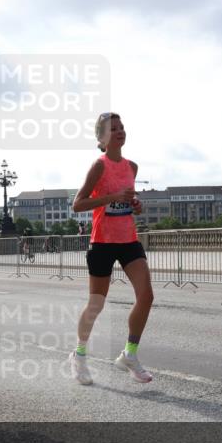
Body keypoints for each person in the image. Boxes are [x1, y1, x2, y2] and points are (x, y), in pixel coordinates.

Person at [67, 112, 154, 386]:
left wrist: (137, 205)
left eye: (122, 127)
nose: (120, 132)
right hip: (102, 242)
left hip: (128, 240)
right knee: (96, 304)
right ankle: (78, 355)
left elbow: (129, 203)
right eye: (113, 129)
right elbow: (78, 204)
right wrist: (112, 198)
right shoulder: (99, 166)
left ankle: (130, 354)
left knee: (147, 296)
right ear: (102, 138)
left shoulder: (132, 167)